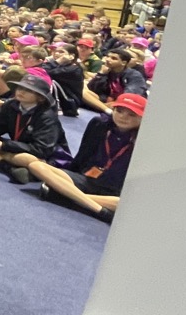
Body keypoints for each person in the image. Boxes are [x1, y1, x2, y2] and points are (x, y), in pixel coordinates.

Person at [24, 94, 145, 224]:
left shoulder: (145, 141)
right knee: (36, 166)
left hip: (115, 191)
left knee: (127, 204)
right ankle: (99, 209)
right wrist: (68, 174)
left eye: (132, 115)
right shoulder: (99, 124)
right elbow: (83, 153)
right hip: (88, 179)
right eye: (119, 111)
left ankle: (68, 195)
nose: (123, 117)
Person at [0, 68, 71, 182]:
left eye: (28, 90)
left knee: (25, 158)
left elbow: (41, 150)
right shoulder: (11, 105)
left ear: (41, 98)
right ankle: (7, 166)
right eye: (20, 87)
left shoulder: (47, 117)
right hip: (17, 146)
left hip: (47, 157)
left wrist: (1, 145)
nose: (21, 92)